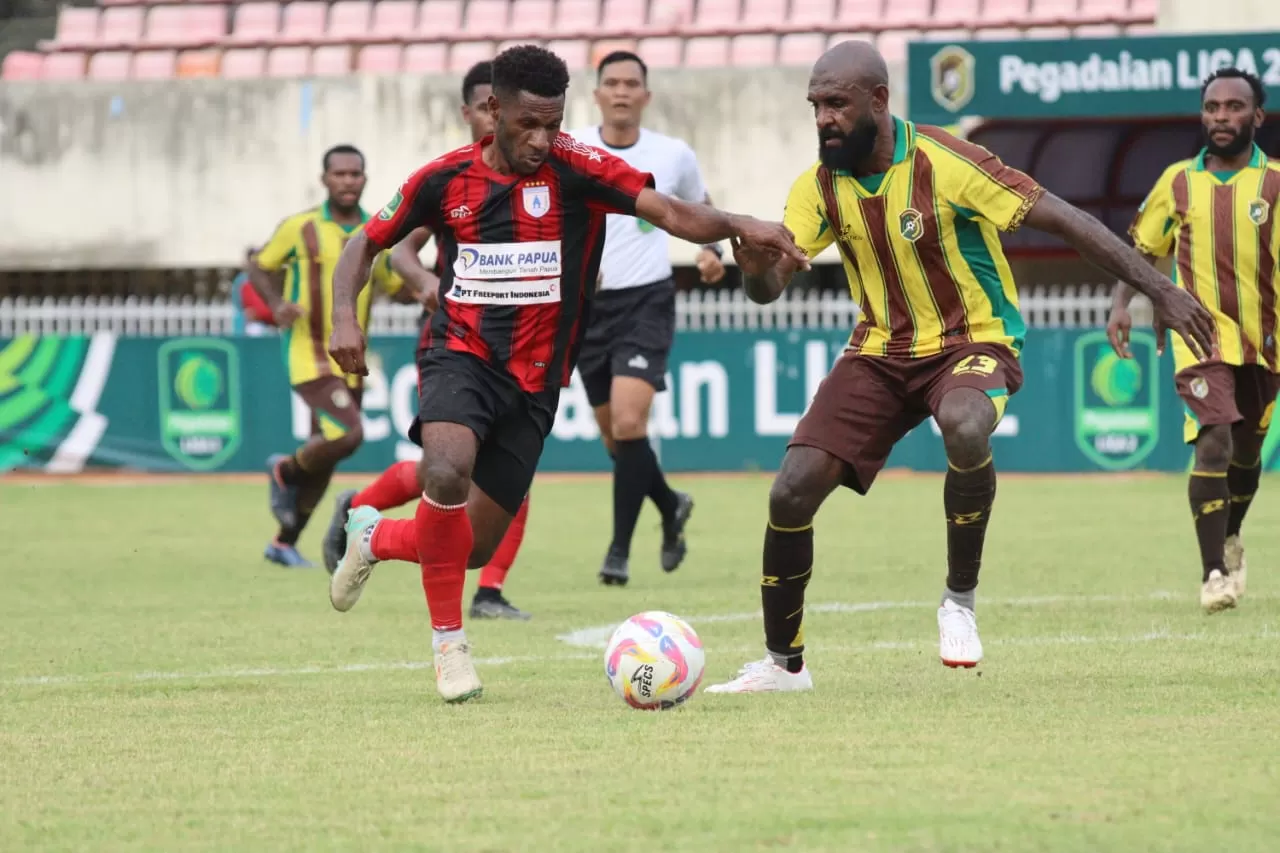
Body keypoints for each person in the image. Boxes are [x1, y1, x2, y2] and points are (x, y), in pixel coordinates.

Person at [704, 40, 1216, 694]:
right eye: (815, 105)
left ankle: (959, 601)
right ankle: (783, 664)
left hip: (974, 338)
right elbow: (771, 284)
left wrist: (1159, 288)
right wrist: (753, 268)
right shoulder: (818, 186)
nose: (824, 118)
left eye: (836, 103)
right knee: (790, 489)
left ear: (878, 101)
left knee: (965, 422)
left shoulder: (945, 161)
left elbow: (1067, 220)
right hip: (881, 350)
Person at [325, 45, 808, 704]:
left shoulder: (578, 170)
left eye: (553, 123)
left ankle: (373, 533)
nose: (542, 138)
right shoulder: (443, 179)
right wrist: (343, 318)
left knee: (469, 545)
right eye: (528, 123)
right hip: (459, 354)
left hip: (536, 382)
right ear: (492, 110)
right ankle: (450, 646)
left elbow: (667, 211)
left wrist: (735, 224)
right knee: (444, 469)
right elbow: (365, 243)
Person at [320, 63, 534, 621]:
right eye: (490, 103)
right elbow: (400, 248)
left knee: (462, 473)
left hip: (519, 347)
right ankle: (485, 591)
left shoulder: (541, 175)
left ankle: (363, 512)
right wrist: (426, 284)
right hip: (458, 340)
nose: (504, 116)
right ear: (473, 111)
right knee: (457, 474)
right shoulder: (446, 178)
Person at [1107, 67, 1280, 615]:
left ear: (1257, 116)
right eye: (1212, 107)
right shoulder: (1177, 181)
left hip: (1265, 339)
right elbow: (1140, 249)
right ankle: (1212, 573)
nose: (1221, 117)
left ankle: (1230, 536)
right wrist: (1121, 304)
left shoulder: (1274, 183)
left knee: (1248, 450)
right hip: (1198, 333)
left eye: (1233, 107)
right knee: (1214, 440)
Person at [568, 50, 723, 586]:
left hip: (645, 301)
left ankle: (618, 552)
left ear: (646, 95)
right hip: (587, 307)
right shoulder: (574, 148)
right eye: (611, 82)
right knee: (616, 442)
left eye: (631, 83)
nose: (621, 91)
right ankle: (669, 504)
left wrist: (713, 252)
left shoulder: (672, 153)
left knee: (632, 424)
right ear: (597, 95)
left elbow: (699, 206)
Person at [249, 144, 426, 568]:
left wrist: (423, 285)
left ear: (365, 179)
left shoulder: (374, 230)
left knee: (326, 454)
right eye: (340, 174)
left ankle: (283, 542)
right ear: (324, 179)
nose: (348, 181)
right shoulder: (300, 227)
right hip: (308, 354)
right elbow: (259, 264)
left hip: (350, 362)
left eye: (355, 174)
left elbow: (388, 282)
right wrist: (276, 306)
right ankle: (284, 472)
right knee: (349, 435)